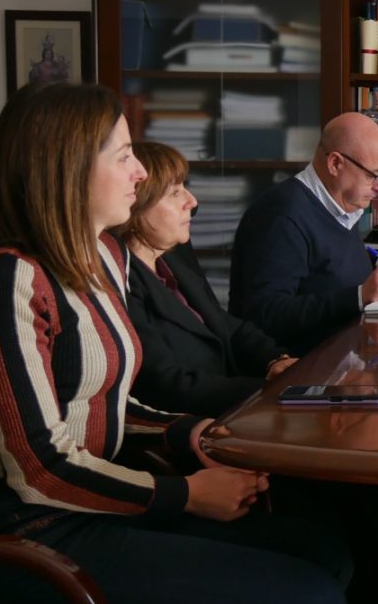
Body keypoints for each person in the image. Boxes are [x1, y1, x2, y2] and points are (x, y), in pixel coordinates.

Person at [0, 83, 348, 604]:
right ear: (67, 167)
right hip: (40, 529)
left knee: (325, 552)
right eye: (124, 155)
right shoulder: (6, 276)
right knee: (311, 594)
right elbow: (40, 467)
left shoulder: (98, 258)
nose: (140, 172)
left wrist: (182, 430)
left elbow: (103, 401)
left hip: (105, 499)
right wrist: (186, 494)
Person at [117, 141, 297, 416]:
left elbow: (228, 327)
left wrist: (275, 362)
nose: (192, 201)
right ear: (135, 205)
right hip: (192, 426)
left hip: (234, 408)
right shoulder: (123, 281)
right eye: (175, 192)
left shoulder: (172, 258)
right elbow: (165, 383)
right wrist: (266, 391)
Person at [230, 112, 378, 352]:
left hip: (345, 354)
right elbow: (265, 316)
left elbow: (328, 275)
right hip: (298, 371)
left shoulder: (339, 203)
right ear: (335, 163)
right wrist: (359, 296)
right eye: (373, 175)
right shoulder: (281, 217)